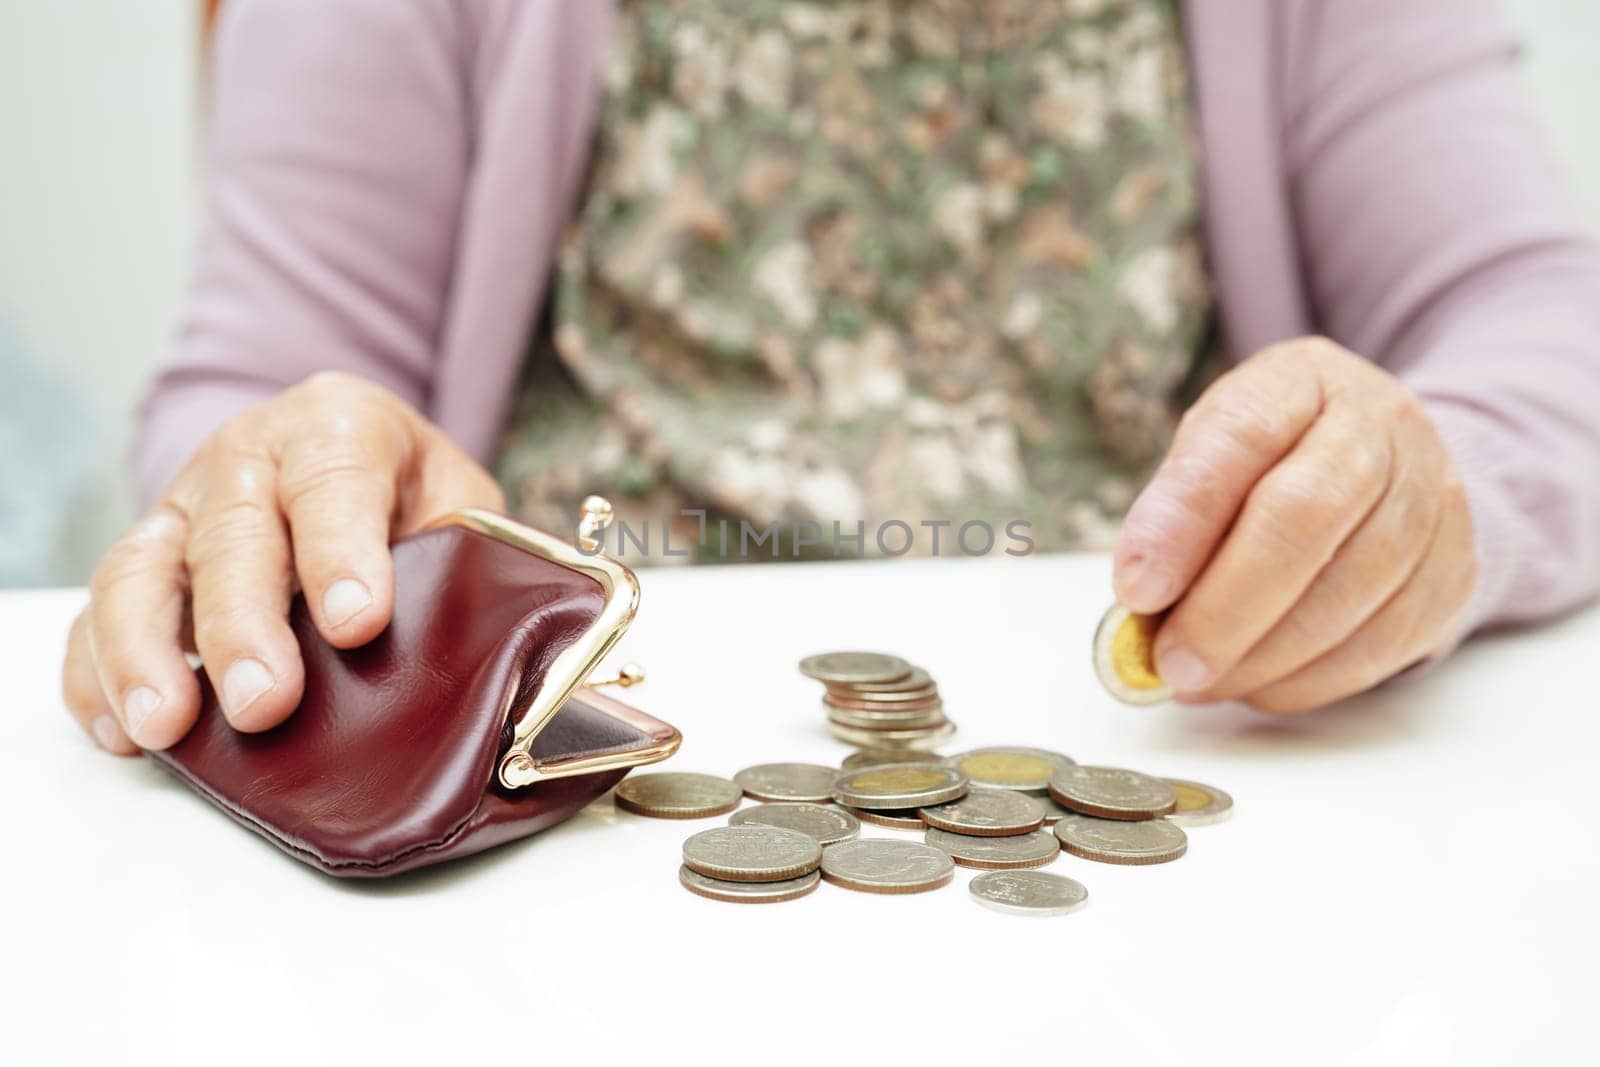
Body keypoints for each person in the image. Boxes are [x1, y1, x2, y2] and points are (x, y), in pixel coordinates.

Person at [60, 0, 1600, 757]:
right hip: (583, 777)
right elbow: (257, 386)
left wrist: (1425, 489)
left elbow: (1542, 317)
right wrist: (278, 489)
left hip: (1159, 758)